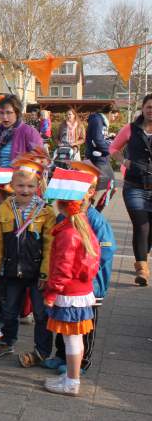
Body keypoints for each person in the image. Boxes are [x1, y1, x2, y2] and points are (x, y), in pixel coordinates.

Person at [47, 161, 116, 377]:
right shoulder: (64, 217)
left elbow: (104, 251)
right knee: (65, 322)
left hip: (88, 286)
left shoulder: (95, 220)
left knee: (84, 328)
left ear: (91, 192)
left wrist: (82, 272)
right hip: (70, 286)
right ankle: (62, 355)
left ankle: (81, 363)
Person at [0, 159, 55, 364]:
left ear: (39, 186)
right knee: (8, 310)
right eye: (21, 185)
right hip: (10, 270)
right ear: (12, 186)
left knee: (41, 314)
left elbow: (50, 246)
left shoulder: (46, 212)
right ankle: (7, 341)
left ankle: (42, 350)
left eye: (31, 186)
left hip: (36, 273)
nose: (25, 190)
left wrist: (45, 273)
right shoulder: (3, 211)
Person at [41, 170, 100, 396]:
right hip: (81, 291)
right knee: (74, 338)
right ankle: (71, 377)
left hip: (69, 293)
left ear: (61, 204)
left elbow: (63, 267)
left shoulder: (67, 232)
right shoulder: (82, 224)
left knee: (71, 339)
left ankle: (72, 382)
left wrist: (51, 292)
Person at [110, 95, 152, 284]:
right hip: (134, 186)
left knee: (149, 228)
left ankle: (143, 256)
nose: (151, 110)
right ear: (143, 109)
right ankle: (142, 268)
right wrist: (123, 161)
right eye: (149, 107)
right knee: (141, 225)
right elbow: (113, 148)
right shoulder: (130, 129)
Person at [0, 94, 43, 169]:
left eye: (9, 113)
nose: (5, 117)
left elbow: (41, 160)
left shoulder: (29, 132)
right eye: (1, 113)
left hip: (19, 179)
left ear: (17, 113)